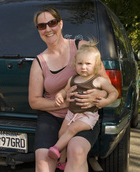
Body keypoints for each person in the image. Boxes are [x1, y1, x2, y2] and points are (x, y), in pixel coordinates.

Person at [28, 7, 110, 172]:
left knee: (76, 151)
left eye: (52, 23)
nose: (48, 29)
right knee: (43, 159)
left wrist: (97, 95)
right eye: (42, 26)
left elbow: (106, 85)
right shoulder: (39, 62)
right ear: (38, 30)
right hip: (52, 118)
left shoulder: (82, 47)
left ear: (61, 24)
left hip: (84, 115)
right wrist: (65, 103)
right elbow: (34, 101)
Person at [48, 42, 119, 162]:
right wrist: (59, 96)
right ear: (75, 64)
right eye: (80, 63)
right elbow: (64, 91)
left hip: (88, 116)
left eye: (88, 64)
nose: (83, 67)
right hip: (71, 113)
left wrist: (105, 101)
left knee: (72, 129)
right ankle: (63, 161)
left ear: (96, 65)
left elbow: (114, 92)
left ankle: (56, 149)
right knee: (62, 132)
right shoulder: (73, 79)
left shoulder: (98, 80)